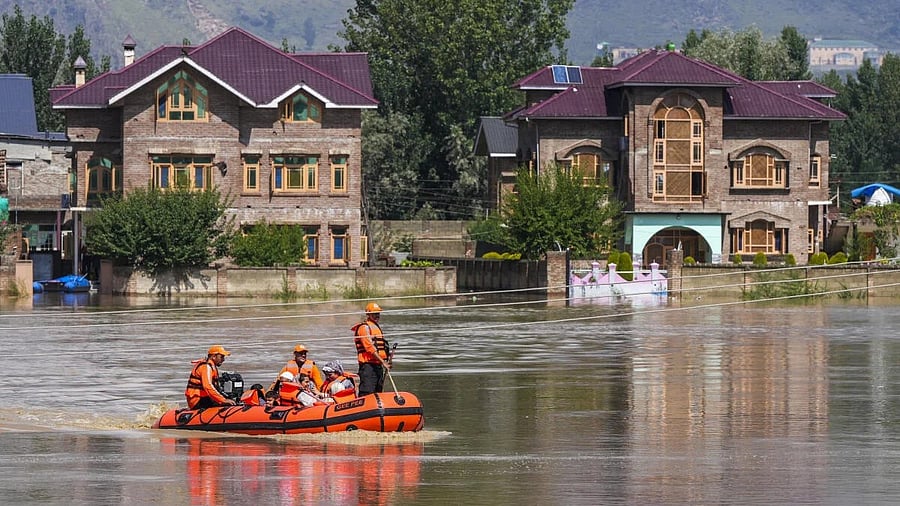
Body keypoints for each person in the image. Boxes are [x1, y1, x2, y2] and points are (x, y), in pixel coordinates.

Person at [352, 302, 390, 395]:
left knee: (378, 391)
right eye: (374, 314)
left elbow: (382, 347)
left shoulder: (376, 327)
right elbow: (369, 347)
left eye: (378, 313)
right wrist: (383, 362)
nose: (377, 316)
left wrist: (385, 360)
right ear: (368, 314)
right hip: (368, 366)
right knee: (367, 392)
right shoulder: (364, 328)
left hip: (378, 365)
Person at [185, 345, 237, 409]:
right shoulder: (206, 367)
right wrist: (223, 400)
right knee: (229, 405)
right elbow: (208, 386)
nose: (223, 360)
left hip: (205, 398)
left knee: (234, 402)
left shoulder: (211, 366)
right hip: (198, 401)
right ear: (214, 356)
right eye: (221, 357)